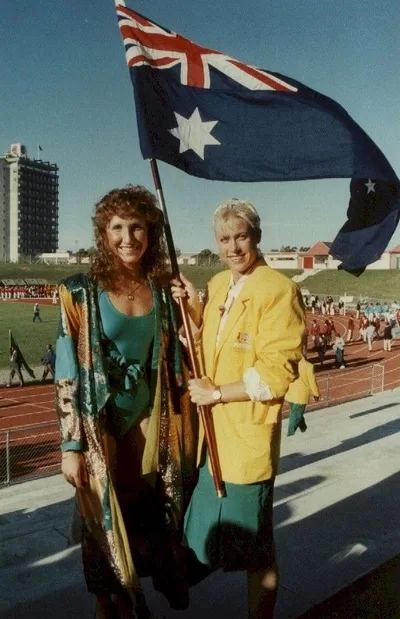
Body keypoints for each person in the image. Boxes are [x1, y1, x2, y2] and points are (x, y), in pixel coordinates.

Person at [55, 185, 197, 619]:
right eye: (117, 227)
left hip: (149, 420)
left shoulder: (162, 288)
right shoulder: (79, 291)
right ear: (103, 233)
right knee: (103, 526)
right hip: (100, 422)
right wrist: (70, 446)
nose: (128, 237)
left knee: (146, 514)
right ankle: (112, 603)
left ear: (150, 232)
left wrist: (191, 308)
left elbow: (185, 356)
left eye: (137, 226)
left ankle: (144, 589)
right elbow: (67, 369)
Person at [172, 199, 304, 619]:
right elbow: (202, 347)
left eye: (240, 236)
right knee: (206, 535)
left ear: (256, 237)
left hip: (245, 437)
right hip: (210, 442)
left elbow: (275, 374)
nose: (232, 247)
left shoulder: (278, 289)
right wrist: (193, 310)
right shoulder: (216, 284)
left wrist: (217, 394)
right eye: (224, 238)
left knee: (257, 550)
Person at [284, 357, 320, 436]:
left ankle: (303, 427)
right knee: (295, 415)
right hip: (301, 395)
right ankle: (290, 433)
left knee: (296, 412)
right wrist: (316, 394)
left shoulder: (289, 363)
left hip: (289, 394)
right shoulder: (309, 366)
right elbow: (312, 381)